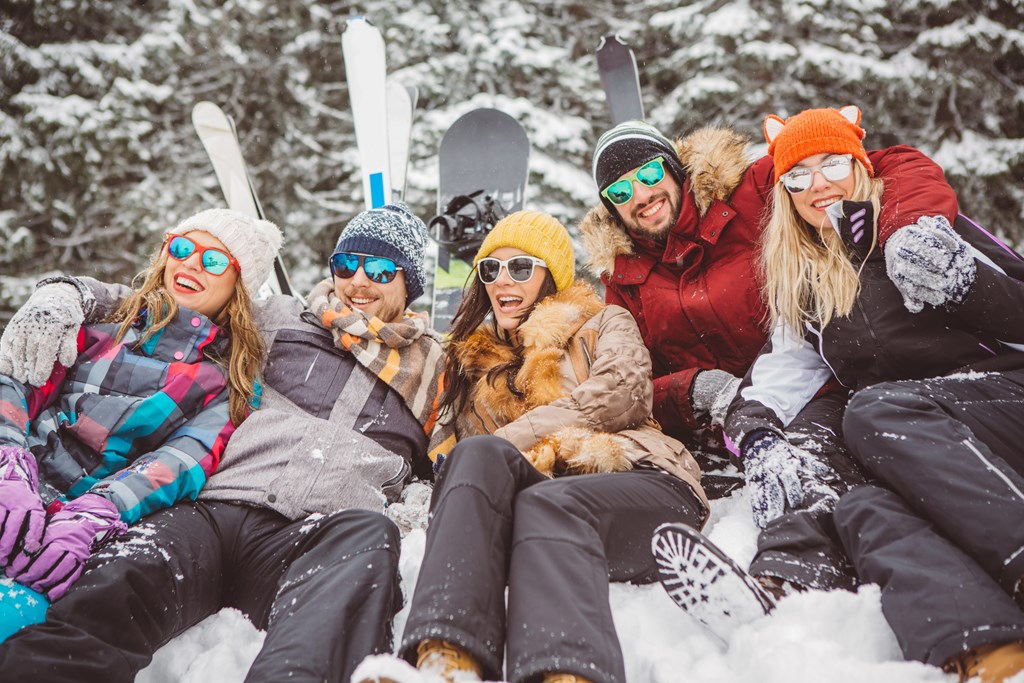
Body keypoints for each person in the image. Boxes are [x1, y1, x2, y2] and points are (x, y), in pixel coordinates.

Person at [0, 203, 453, 683]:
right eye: (346, 264)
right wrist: (68, 293)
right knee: (120, 585)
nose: (359, 280)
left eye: (380, 269)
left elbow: (465, 440)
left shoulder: (439, 370)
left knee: (365, 540)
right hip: (214, 508)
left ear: (410, 283)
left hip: (318, 528)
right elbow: (164, 300)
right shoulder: (279, 317)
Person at [669, 106, 1024, 681]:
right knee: (862, 504)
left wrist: (963, 281)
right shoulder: (803, 281)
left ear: (859, 166)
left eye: (832, 163)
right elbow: (783, 376)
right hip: (921, 441)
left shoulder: (925, 228)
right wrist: (757, 437)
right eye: (798, 175)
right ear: (784, 193)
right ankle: (983, 645)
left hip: (1002, 406)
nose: (820, 184)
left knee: (871, 411)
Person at [580, 117, 962, 596]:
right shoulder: (623, 281)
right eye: (620, 192)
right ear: (611, 208)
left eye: (651, 175)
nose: (641, 195)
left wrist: (907, 231)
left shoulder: (750, 190)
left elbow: (891, 164)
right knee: (768, 471)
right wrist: (692, 388)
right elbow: (628, 384)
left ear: (676, 170)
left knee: (804, 456)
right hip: (727, 428)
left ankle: (788, 575)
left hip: (815, 378)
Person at [353, 210, 708, 683]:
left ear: (550, 277)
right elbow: (467, 468)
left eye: (521, 267)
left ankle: (566, 674)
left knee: (540, 496)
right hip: (547, 509)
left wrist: (513, 438)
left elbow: (620, 392)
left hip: (643, 481)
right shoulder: (475, 367)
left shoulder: (601, 324)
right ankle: (444, 660)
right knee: (484, 461)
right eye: (491, 269)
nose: (504, 279)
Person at [0, 207, 280, 638]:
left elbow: (177, 463)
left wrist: (96, 512)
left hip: (70, 522)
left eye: (213, 260)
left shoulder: (224, 387)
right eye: (183, 248)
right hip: (16, 480)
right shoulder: (101, 327)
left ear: (236, 290)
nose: (190, 263)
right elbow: (18, 381)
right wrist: (8, 461)